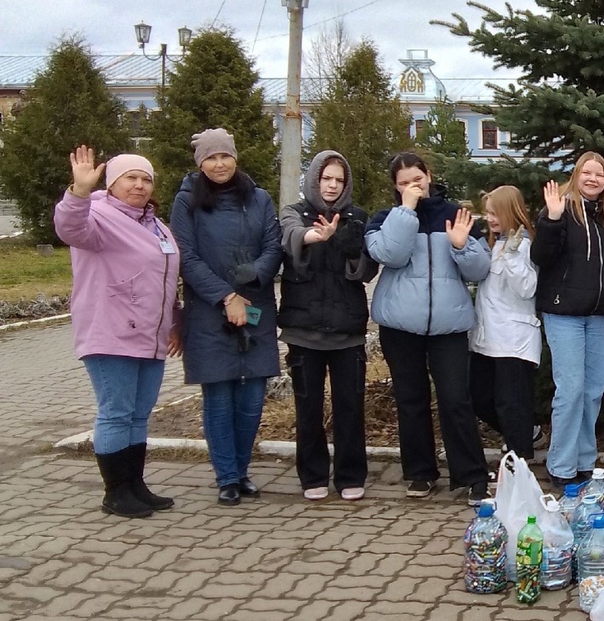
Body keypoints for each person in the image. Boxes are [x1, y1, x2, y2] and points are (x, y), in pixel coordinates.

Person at [54, 147, 181, 518]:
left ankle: (135, 484)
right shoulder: (97, 215)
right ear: (111, 183)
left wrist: (175, 321)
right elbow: (68, 227)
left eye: (146, 179)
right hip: (111, 332)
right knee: (116, 412)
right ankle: (115, 492)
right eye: (131, 178)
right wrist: (78, 191)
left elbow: (166, 280)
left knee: (139, 414)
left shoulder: (156, 225)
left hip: (151, 334)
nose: (139, 186)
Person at [365, 152, 491, 504]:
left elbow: (479, 271)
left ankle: (472, 476)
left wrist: (462, 245)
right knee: (411, 399)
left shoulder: (455, 214)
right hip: (400, 324)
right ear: (395, 186)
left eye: (416, 180)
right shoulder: (384, 219)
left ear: (429, 176)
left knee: (456, 399)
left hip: (448, 325)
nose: (412, 187)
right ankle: (420, 473)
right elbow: (390, 255)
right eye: (403, 183)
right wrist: (406, 212)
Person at [169, 128, 283, 506]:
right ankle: (227, 476)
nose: (219, 164)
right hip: (209, 312)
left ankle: (243, 469)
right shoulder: (187, 202)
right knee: (218, 397)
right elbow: (186, 256)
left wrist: (257, 273)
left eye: (224, 156)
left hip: (256, 310)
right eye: (210, 158)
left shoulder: (260, 198)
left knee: (252, 398)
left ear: (235, 157)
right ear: (200, 163)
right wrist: (226, 295)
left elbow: (273, 243)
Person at [278, 150, 378, 501]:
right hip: (303, 331)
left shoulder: (357, 218)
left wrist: (352, 250)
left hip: (346, 332)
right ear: (314, 180)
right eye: (326, 178)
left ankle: (351, 474)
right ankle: (312, 475)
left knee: (350, 407)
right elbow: (291, 237)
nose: (332, 185)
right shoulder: (294, 213)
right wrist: (315, 237)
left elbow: (366, 271)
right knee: (309, 408)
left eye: (339, 179)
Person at [530, 152, 604, 489]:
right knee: (571, 389)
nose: (594, 179)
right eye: (588, 173)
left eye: (600, 175)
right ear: (576, 175)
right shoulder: (560, 210)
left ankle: (583, 460)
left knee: (593, 390)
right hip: (563, 311)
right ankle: (561, 464)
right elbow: (541, 257)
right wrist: (551, 220)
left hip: (597, 314)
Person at [470, 185, 540, 461]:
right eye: (487, 213)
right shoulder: (493, 243)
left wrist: (511, 257)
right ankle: (528, 432)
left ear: (510, 211)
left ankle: (519, 457)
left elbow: (527, 288)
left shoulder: (523, 244)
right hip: (486, 338)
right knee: (479, 397)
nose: (490, 218)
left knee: (511, 404)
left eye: (495, 213)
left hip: (513, 339)